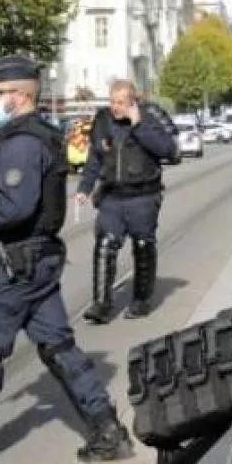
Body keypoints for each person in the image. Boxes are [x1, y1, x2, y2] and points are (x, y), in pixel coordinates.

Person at [0, 55, 134, 464]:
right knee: (59, 347)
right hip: (38, 260)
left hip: (16, 265)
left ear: (19, 95)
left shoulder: (21, 143)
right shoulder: (39, 135)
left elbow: (13, 208)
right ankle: (107, 430)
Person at [74, 79, 178, 323]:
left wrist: (138, 125)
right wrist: (84, 188)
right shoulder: (103, 121)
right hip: (112, 195)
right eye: (112, 101)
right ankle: (101, 303)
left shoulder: (149, 118)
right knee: (105, 244)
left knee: (142, 244)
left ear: (132, 102)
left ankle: (141, 300)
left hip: (143, 195)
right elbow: (95, 159)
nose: (115, 107)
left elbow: (167, 150)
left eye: (121, 103)